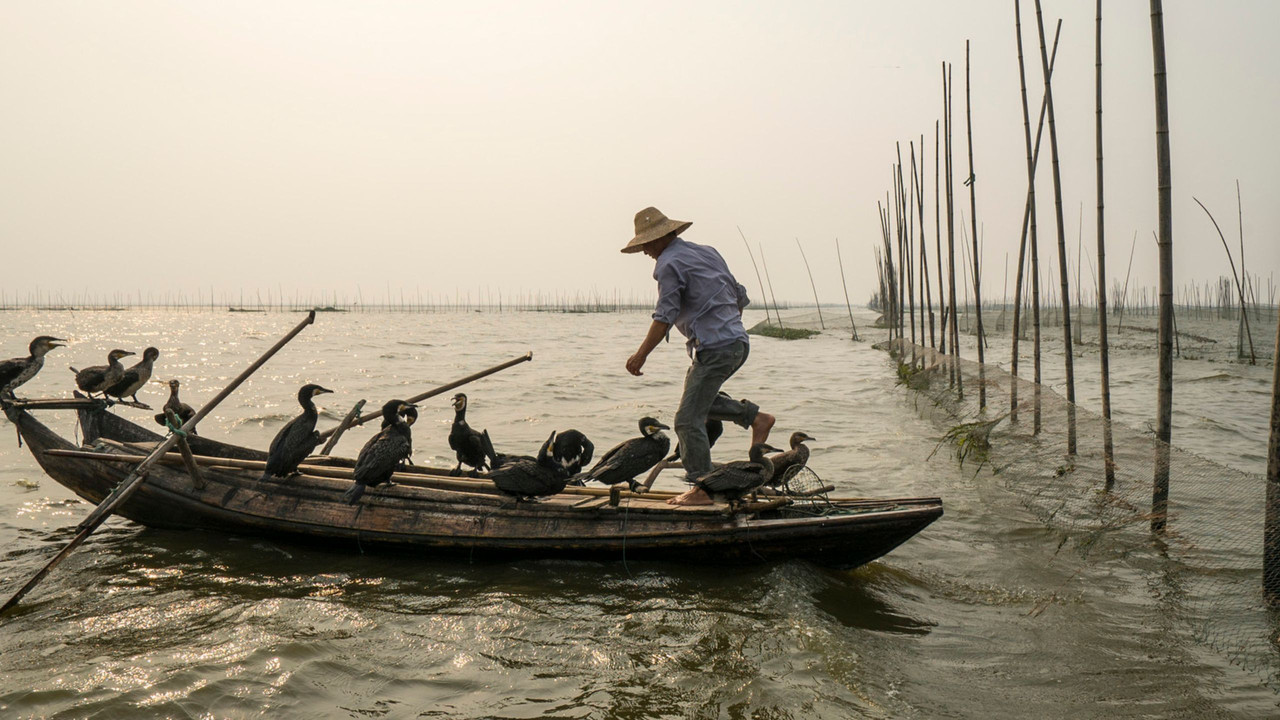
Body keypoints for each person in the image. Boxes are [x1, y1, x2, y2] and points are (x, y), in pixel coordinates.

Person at [622, 206, 775, 505]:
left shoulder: (668, 264)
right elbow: (739, 295)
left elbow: (664, 315)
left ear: (662, 238)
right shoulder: (707, 252)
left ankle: (703, 488)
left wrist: (640, 355)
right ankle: (756, 418)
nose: (645, 252)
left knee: (686, 420)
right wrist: (724, 325)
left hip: (716, 349)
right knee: (698, 404)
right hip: (736, 344)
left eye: (647, 245)